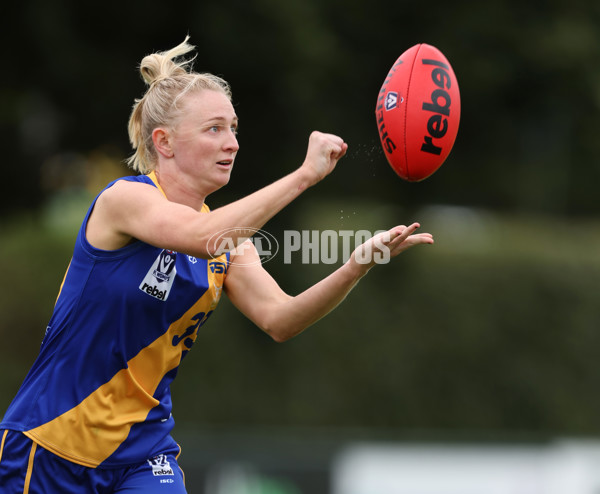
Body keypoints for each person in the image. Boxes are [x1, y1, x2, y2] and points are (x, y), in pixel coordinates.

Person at [0, 37, 434, 493]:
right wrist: (304, 175)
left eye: (233, 127)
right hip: (51, 443)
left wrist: (356, 265)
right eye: (214, 129)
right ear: (163, 142)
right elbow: (197, 238)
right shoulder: (124, 200)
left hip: (142, 453)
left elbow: (279, 319)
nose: (232, 143)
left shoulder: (229, 242)